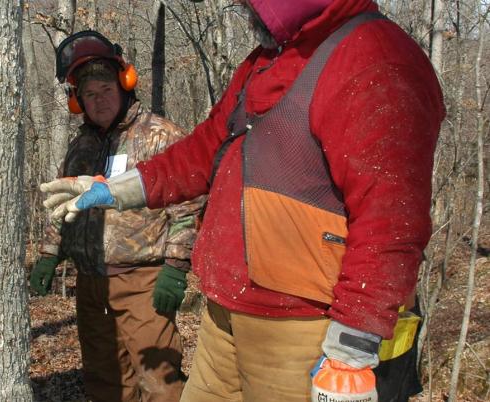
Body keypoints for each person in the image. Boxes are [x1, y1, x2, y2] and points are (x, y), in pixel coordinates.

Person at [40, 1, 445, 401]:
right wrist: (118, 189)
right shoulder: (266, 60)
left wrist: (352, 348)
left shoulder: (375, 56)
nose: (240, 7)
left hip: (302, 324)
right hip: (225, 310)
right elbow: (200, 152)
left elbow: (391, 220)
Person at [30, 30, 204, 402]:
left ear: (124, 86)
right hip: (91, 283)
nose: (99, 101)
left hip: (143, 280)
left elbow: (188, 205)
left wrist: (175, 267)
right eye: (89, 95)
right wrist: (48, 253)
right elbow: (62, 203)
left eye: (106, 90)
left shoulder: (160, 136)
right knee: (106, 382)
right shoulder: (82, 145)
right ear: (78, 102)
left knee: (160, 383)